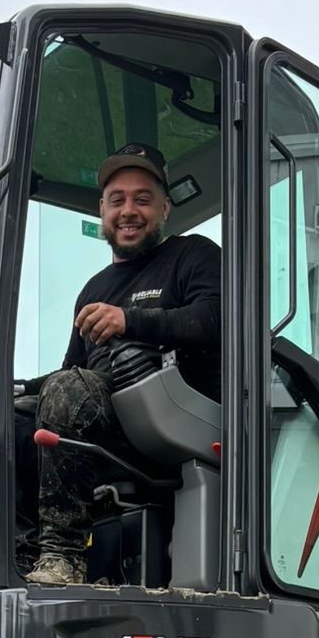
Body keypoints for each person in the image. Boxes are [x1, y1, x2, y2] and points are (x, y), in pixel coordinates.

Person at [20, 142, 222, 587]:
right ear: (102, 211)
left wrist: (129, 321)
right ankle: (22, 553)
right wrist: (6, 388)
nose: (129, 210)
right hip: (107, 422)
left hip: (172, 424)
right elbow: (66, 372)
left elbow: (213, 320)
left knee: (69, 393)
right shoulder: (93, 289)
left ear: (165, 208)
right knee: (14, 418)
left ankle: (65, 557)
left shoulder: (193, 257)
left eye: (142, 199)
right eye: (118, 201)